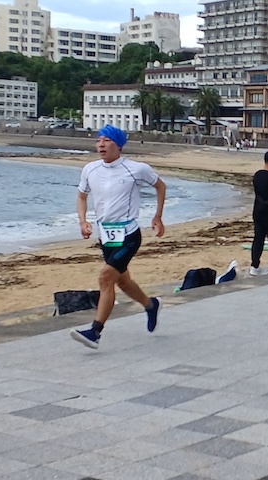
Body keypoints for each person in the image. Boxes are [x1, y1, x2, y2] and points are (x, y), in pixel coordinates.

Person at [70, 125, 166, 349]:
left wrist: (158, 216)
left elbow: (160, 186)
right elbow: (82, 196)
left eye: (107, 140)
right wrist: (83, 221)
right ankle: (151, 305)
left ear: (119, 145)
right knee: (122, 281)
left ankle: (95, 332)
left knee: (105, 277)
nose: (101, 145)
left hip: (129, 235)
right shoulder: (90, 169)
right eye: (98, 140)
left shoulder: (136, 169)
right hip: (106, 236)